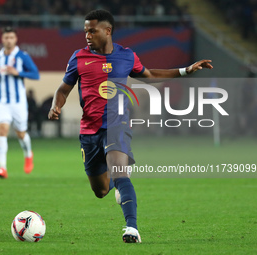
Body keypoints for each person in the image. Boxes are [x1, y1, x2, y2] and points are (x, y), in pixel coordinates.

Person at [48, 9, 213, 243]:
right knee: (101, 191)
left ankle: (132, 228)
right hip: (89, 131)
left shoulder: (126, 56)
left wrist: (186, 70)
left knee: (120, 173)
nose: (87, 35)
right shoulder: (78, 58)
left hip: (117, 124)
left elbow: (150, 74)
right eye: (85, 31)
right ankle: (116, 183)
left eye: (92, 31)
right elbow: (63, 89)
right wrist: (57, 105)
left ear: (107, 31)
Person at [0, 26, 40, 178]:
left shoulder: (22, 56)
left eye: (11, 37)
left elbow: (36, 74)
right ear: (2, 39)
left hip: (18, 103)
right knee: (2, 130)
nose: (8, 40)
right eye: (6, 37)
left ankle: (28, 154)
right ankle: (2, 168)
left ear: (16, 39)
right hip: (1, 101)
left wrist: (19, 73)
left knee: (21, 133)